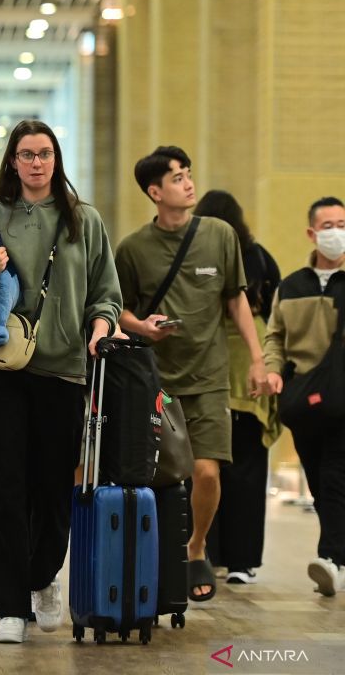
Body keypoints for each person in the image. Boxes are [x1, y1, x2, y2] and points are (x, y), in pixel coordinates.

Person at [0, 120, 121, 644]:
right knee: (4, 484)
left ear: (56, 159)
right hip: (1, 368)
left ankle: (42, 576)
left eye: (44, 153)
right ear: (12, 161)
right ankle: (10, 604)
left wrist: (99, 330)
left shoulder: (84, 220)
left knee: (52, 487)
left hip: (64, 368)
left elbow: (105, 293)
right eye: (26, 154)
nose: (35, 162)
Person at [115, 147, 267, 603]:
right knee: (158, 480)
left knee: (205, 472)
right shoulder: (134, 248)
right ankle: (154, 557)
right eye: (176, 178)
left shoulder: (220, 235)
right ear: (154, 192)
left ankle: (196, 544)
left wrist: (258, 359)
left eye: (187, 174)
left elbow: (236, 300)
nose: (187, 183)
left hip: (209, 378)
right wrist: (140, 326)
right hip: (154, 382)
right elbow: (113, 307)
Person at [196, 190, 282, 585]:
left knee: (204, 467)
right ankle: (243, 562)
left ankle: (206, 551)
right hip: (251, 368)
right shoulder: (260, 256)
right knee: (247, 468)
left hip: (209, 366)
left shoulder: (199, 253)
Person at [264, 197, 345, 597]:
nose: (336, 232)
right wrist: (273, 371)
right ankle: (337, 556)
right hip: (303, 399)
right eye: (328, 225)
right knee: (318, 480)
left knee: (333, 475)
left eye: (342, 223)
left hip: (343, 396)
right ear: (312, 233)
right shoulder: (291, 286)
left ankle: (331, 558)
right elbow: (275, 336)